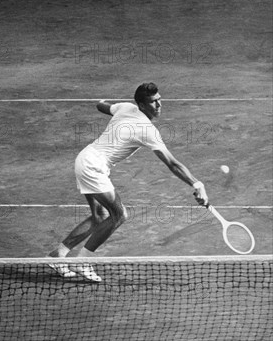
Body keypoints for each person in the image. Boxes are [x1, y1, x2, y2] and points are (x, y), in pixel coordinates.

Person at [47, 83, 208, 282]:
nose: (159, 105)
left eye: (159, 99)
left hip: (85, 158)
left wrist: (104, 103)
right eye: (153, 102)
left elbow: (102, 106)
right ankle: (83, 261)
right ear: (141, 105)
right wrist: (196, 184)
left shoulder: (125, 107)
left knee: (99, 216)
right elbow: (173, 164)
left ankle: (58, 254)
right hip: (93, 166)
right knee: (119, 215)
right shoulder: (146, 130)